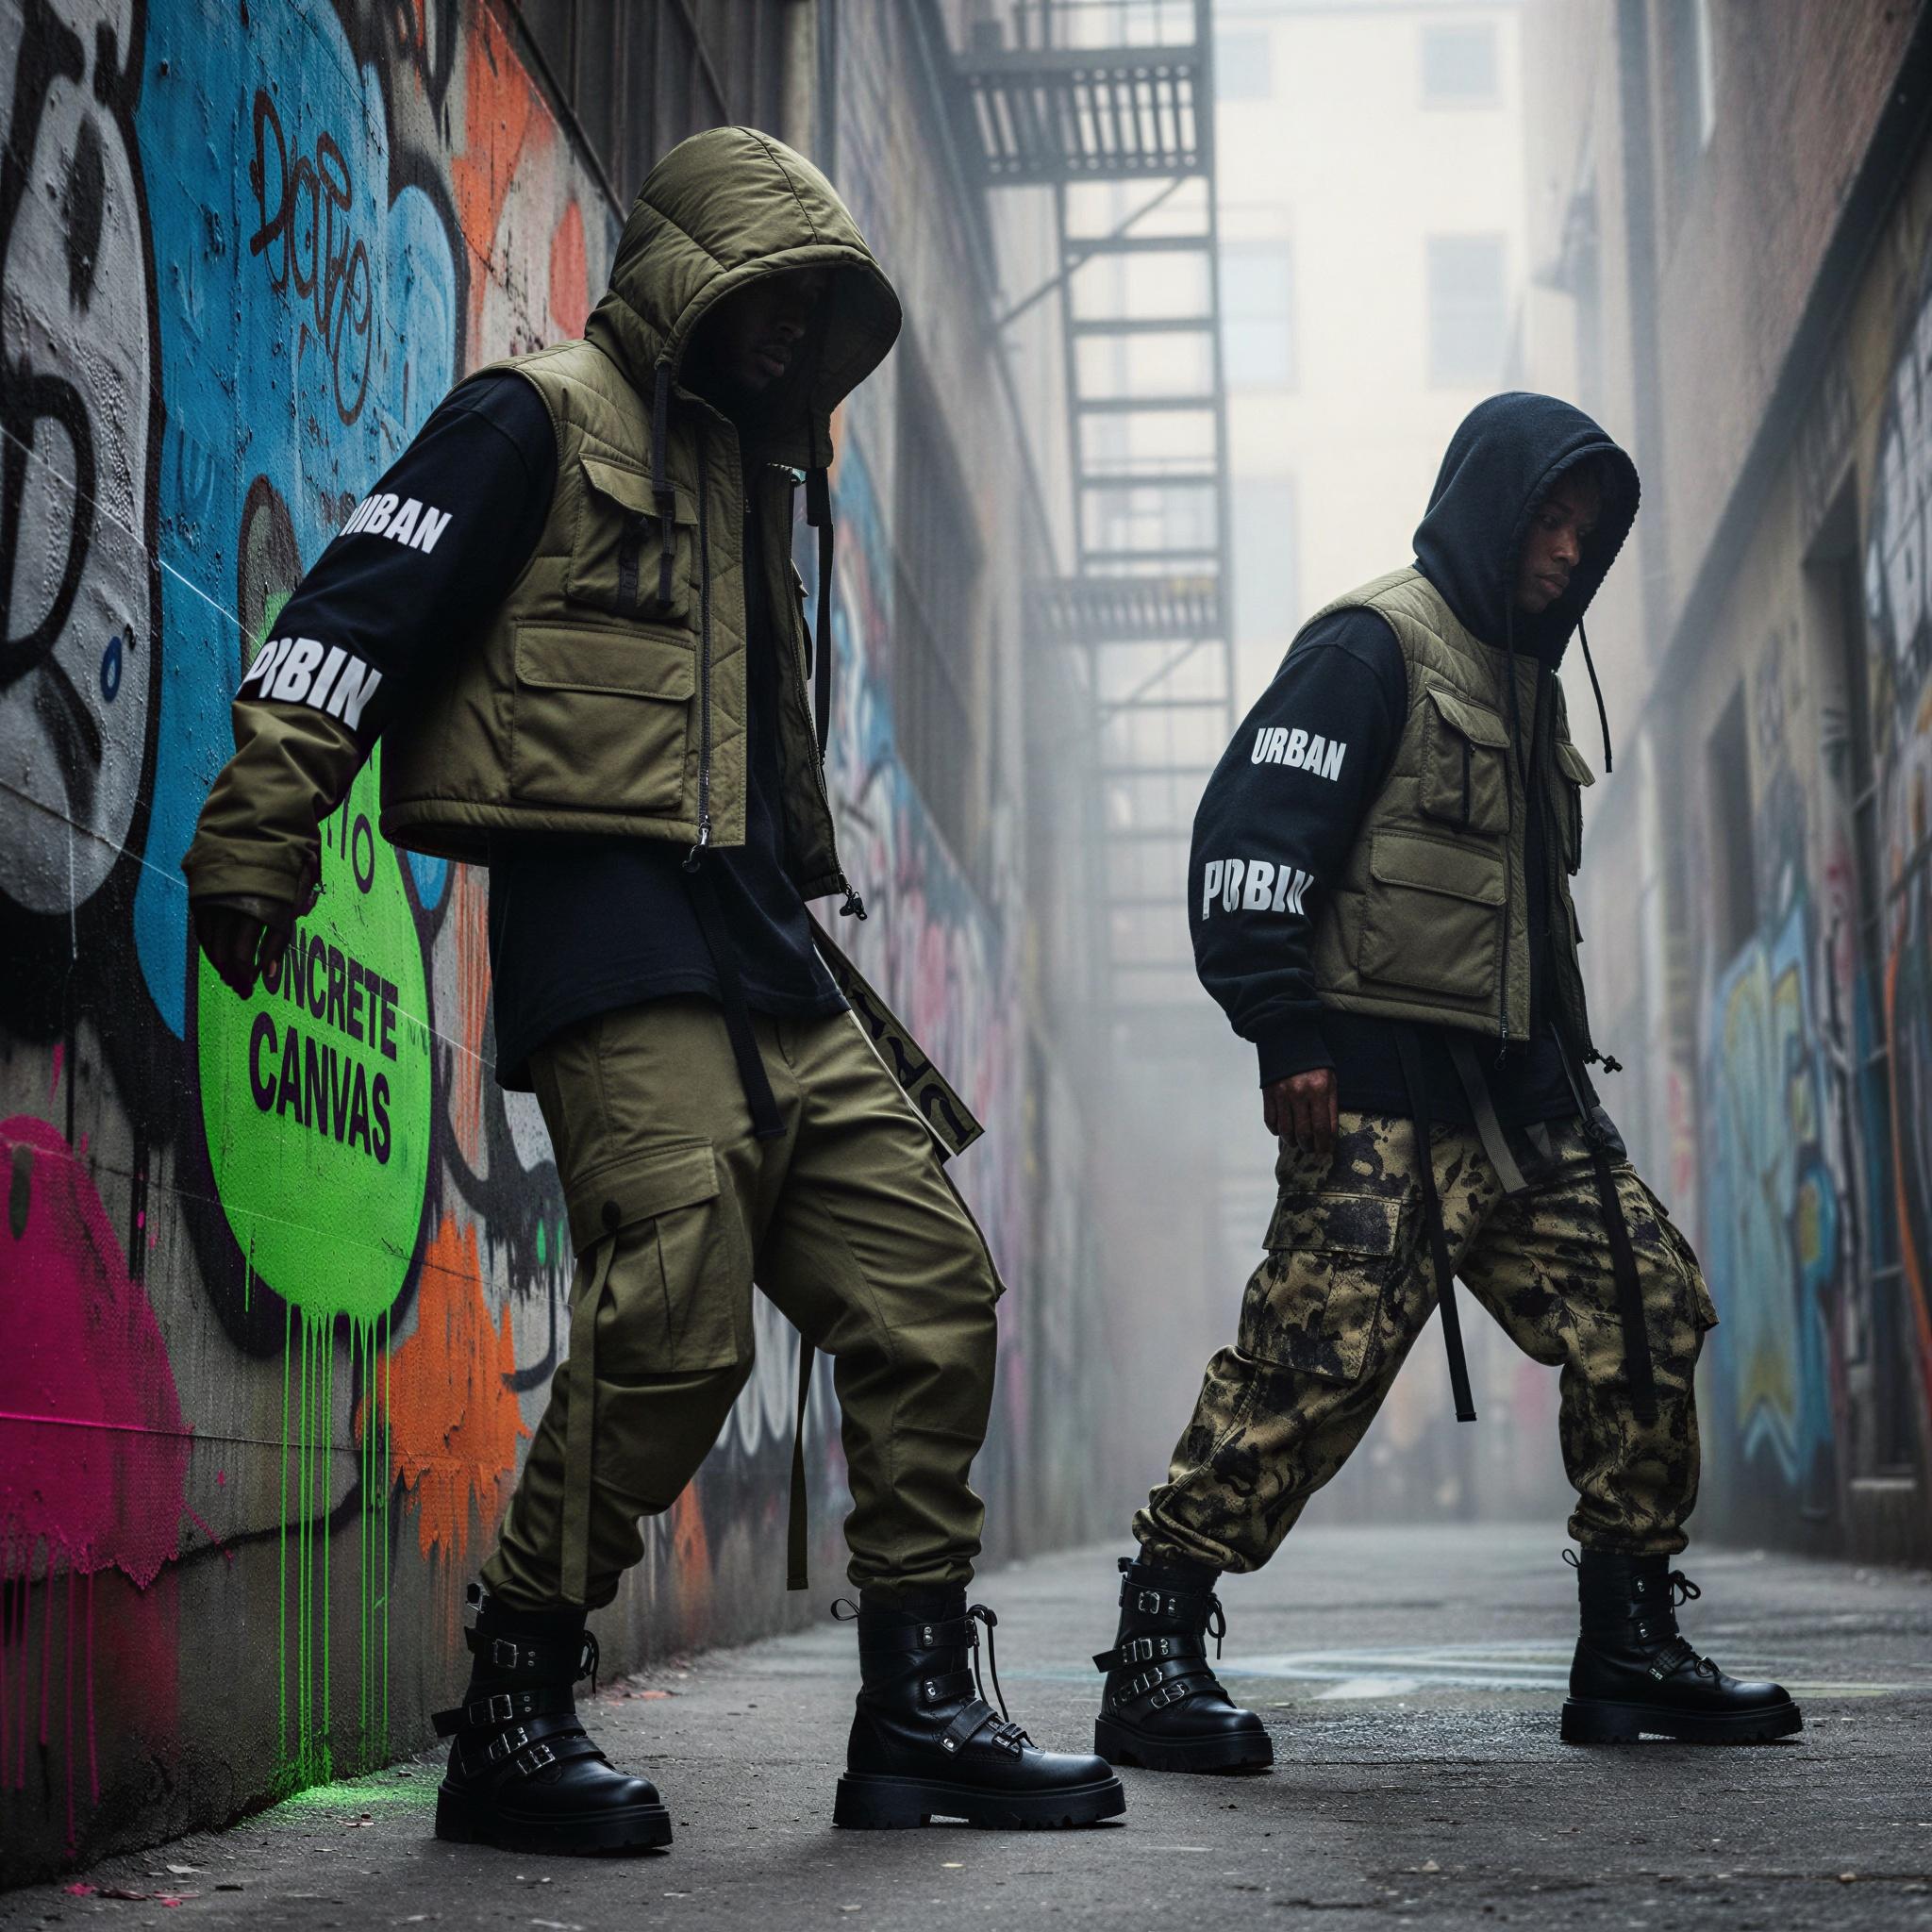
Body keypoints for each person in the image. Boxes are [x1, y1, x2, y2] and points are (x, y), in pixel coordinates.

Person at [186, 126, 1123, 1852]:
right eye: (770, 304)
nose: (788, 342)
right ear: (693, 277)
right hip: (606, 933)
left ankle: (918, 1707)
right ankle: (518, 1707)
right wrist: (260, 837)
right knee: (679, 1309)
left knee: (932, 1289)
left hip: (764, 945)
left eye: (815, 320)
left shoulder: (750, 487)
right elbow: (348, 620)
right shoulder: (527, 421)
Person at [1087, 392, 1802, 1772]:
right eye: (1548, 518)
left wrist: (1570, 1095)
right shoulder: (1374, 648)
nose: (1564, 550)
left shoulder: (1531, 690)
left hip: (1523, 1107)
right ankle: (1158, 1645)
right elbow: (1247, 837)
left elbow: (1526, 926)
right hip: (1372, 1098)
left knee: (1649, 1308)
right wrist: (1283, 1027)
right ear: (1490, 507)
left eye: (1585, 531)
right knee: (1312, 1366)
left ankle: (1628, 1644)